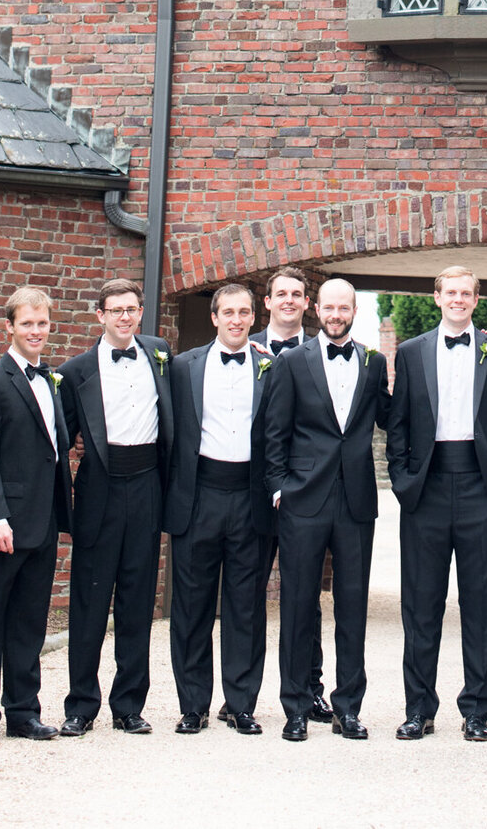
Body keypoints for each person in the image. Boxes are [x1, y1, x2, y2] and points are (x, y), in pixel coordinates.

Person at [386, 264, 487, 742]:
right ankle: (418, 708)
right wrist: (403, 482)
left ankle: (476, 711)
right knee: (420, 604)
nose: (459, 299)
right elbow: (398, 423)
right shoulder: (410, 352)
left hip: (482, 489)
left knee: (482, 603)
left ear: (476, 300)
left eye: (467, 293)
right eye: (451, 292)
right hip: (425, 489)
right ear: (437, 297)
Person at [265, 278, 390, 741]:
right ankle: (295, 707)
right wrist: (279, 487)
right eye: (330, 307)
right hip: (304, 499)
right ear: (317, 309)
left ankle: (348, 708)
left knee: (353, 608)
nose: (337, 314)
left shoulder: (374, 364)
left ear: (355, 310)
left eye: (345, 307)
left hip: (356, 500)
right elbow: (274, 431)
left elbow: (393, 416)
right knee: (297, 606)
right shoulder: (292, 362)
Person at [58, 277, 174, 736]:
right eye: (116, 310)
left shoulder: (159, 354)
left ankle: (128, 705)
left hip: (147, 483)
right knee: (89, 600)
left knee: (137, 599)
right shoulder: (75, 370)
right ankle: (80, 706)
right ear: (99, 315)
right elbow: (61, 441)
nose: (126, 317)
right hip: (99, 489)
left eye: (132, 309)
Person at [0, 286, 72, 746]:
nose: (36, 331)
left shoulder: (49, 380)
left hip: (42, 523)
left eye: (42, 323)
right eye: (27, 323)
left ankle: (24, 712)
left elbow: (52, 454)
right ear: (9, 327)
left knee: (29, 621)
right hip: (2, 527)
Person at [164, 281, 273, 735]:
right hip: (199, 494)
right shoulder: (183, 366)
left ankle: (241, 703)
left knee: (246, 605)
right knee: (191, 605)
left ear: (254, 318)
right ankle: (193, 705)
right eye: (227, 312)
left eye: (244, 312)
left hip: (251, 496)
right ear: (214, 318)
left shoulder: (273, 367)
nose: (236, 320)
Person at [248, 266, 330, 727]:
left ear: (306, 303)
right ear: (268, 302)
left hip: (308, 494)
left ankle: (310, 689)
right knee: (249, 595)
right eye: (281, 294)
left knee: (305, 599)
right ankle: (244, 695)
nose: (289, 301)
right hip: (253, 492)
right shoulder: (244, 347)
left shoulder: (322, 352)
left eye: (297, 294)